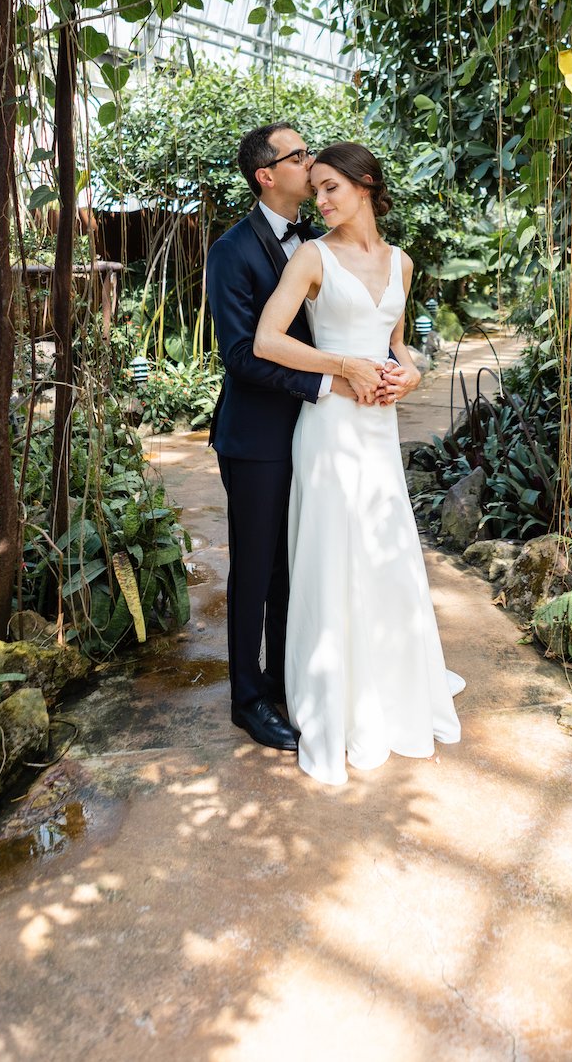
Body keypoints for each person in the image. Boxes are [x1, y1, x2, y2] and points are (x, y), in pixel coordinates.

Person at [254, 142, 464, 786]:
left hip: (378, 426)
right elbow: (268, 340)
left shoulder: (402, 263)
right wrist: (343, 365)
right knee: (332, 555)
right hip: (330, 426)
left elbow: (399, 345)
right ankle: (333, 703)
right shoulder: (312, 258)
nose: (319, 201)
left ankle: (390, 688)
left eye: (330, 188)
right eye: (314, 189)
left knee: (383, 553)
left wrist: (410, 375)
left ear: (366, 185)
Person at [206, 124, 383, 753]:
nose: (309, 163)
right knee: (255, 570)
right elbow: (239, 356)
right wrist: (326, 385)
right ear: (266, 174)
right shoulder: (231, 251)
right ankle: (246, 698)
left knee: (295, 562)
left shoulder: (315, 242)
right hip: (255, 436)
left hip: (316, 435)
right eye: (299, 155)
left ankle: (285, 677)